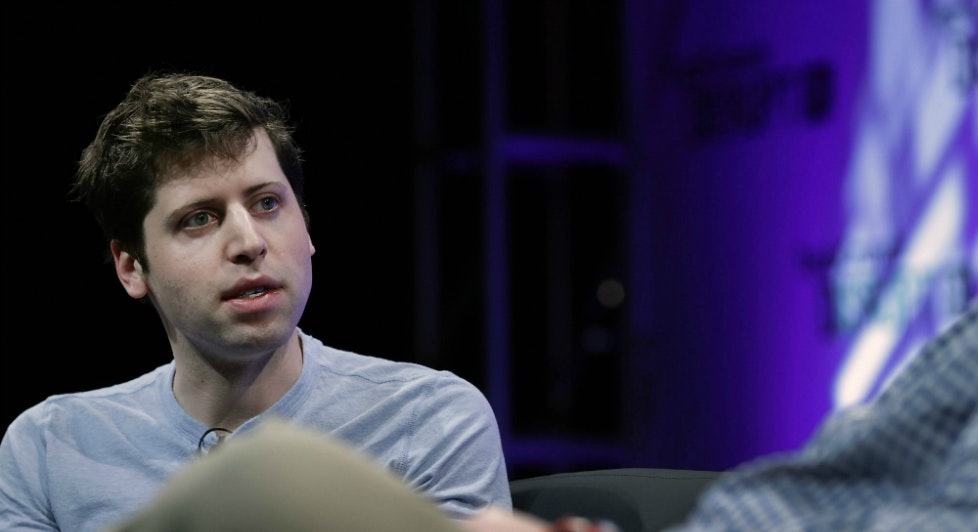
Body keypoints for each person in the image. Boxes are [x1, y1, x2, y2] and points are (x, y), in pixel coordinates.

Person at [0, 71, 511, 531]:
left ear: (306, 226)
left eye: (267, 203)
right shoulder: (50, 448)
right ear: (132, 267)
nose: (249, 242)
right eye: (198, 218)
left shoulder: (429, 420)